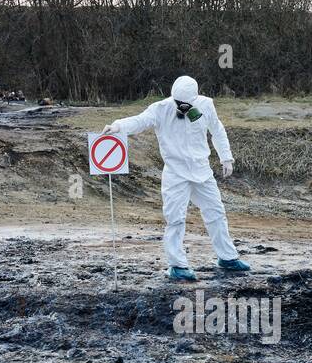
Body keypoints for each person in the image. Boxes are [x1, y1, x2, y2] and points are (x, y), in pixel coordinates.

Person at [104, 75, 250, 281]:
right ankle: (177, 265)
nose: (181, 106)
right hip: (175, 173)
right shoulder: (160, 109)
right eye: (178, 102)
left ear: (194, 97)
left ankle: (227, 257)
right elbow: (140, 120)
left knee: (216, 213)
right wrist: (117, 126)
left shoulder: (206, 105)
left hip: (202, 171)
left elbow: (217, 130)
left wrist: (226, 157)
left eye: (185, 103)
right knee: (175, 218)